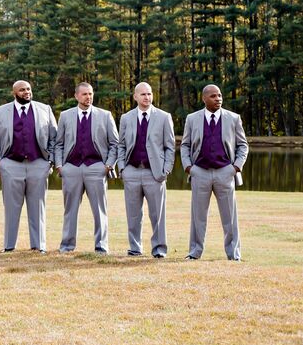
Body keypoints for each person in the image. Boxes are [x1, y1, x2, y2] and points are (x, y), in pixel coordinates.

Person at [180, 84, 248, 261]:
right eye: (213, 96)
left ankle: (234, 254)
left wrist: (235, 167)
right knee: (198, 217)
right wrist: (189, 167)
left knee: (230, 217)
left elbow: (243, 145)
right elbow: (185, 145)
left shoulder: (233, 118)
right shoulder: (192, 119)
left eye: (219, 95)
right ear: (204, 99)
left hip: (225, 172)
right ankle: (194, 252)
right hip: (199, 172)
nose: (218, 98)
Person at [0, 80, 56, 253]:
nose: (26, 92)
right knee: (11, 207)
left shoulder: (45, 109)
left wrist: (49, 162)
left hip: (38, 163)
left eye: (28, 89)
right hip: (10, 164)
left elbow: (55, 139)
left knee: (38, 207)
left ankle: (39, 246)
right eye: (22, 90)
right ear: (14, 93)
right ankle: (9, 246)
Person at [55, 82, 118, 254]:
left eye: (90, 94)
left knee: (100, 211)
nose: (88, 97)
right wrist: (60, 166)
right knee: (70, 210)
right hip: (71, 168)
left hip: (97, 167)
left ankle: (101, 246)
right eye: (84, 94)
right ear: (76, 96)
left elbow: (115, 143)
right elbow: (58, 143)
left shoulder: (105, 115)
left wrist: (108, 165)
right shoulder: (65, 116)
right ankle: (67, 246)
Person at [117, 82, 175, 258]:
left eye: (149, 94)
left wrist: (165, 170)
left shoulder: (164, 117)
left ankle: (159, 249)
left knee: (157, 215)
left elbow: (170, 147)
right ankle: (135, 248)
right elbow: (121, 145)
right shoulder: (126, 118)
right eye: (143, 94)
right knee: (133, 215)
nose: (147, 97)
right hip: (132, 171)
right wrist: (122, 169)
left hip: (154, 173)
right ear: (135, 96)